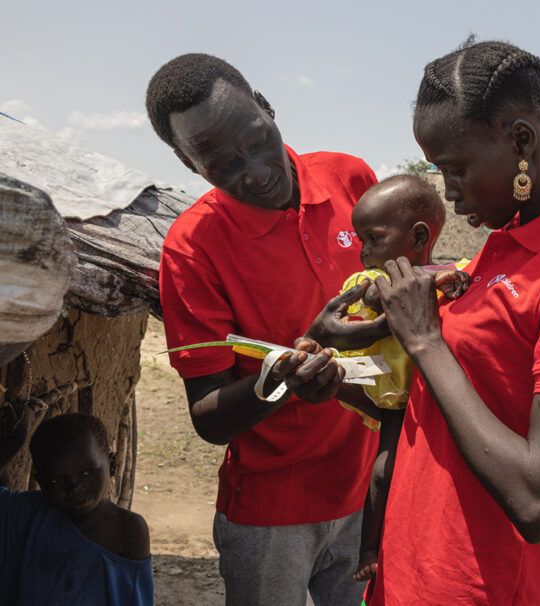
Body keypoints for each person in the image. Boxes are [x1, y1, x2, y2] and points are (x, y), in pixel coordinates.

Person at [309, 38, 540, 604]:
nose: (447, 191)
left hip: (475, 585)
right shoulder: (499, 249)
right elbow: (444, 411)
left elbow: (539, 502)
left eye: (456, 168)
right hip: (410, 566)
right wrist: (340, 381)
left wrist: (423, 339)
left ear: (521, 141)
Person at [145, 53, 379, 605]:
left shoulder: (352, 179)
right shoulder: (193, 248)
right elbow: (207, 417)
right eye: (220, 165)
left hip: (373, 485)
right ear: (188, 163)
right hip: (273, 512)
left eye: (256, 139)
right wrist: (285, 376)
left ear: (268, 109)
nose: (253, 171)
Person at [303, 174, 469, 583]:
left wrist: (448, 279)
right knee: (383, 471)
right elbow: (373, 304)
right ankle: (369, 549)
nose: (363, 252)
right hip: (392, 399)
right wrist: (427, 289)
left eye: (373, 239)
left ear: (416, 237)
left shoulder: (455, 273)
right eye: (360, 240)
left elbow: (459, 283)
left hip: (436, 401)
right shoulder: (368, 282)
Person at [1, 411, 153, 604]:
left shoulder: (128, 529)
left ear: (112, 464)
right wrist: (13, 444)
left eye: (88, 472)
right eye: (57, 480)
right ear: (41, 482)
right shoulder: (29, 512)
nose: (75, 488)